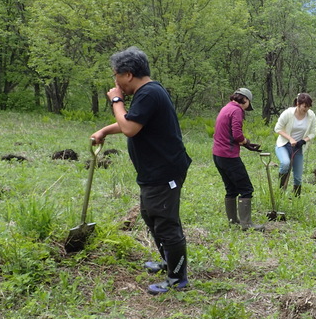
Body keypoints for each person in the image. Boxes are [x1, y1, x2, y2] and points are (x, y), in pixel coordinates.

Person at [91, 47, 192, 295]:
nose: (115, 82)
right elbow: (133, 121)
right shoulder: (149, 92)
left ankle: (178, 278)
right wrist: (104, 130)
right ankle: (168, 262)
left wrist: (116, 100)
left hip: (164, 171)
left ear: (127, 74)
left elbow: (130, 128)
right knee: (152, 218)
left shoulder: (148, 93)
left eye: (116, 76)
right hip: (153, 172)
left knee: (166, 224)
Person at [213, 88, 264, 231]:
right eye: (248, 103)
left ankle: (233, 221)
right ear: (245, 100)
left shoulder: (226, 108)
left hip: (218, 155)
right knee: (246, 189)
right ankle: (246, 224)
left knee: (231, 189)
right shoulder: (237, 110)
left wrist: (246, 145)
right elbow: (236, 134)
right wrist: (246, 141)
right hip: (228, 156)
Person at [274, 93, 316, 197]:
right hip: (284, 145)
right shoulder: (288, 113)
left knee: (298, 176)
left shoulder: (311, 115)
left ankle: (296, 198)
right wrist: (290, 138)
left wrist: (303, 141)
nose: (306, 109)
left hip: (298, 147)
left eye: (309, 106)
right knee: (285, 163)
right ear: (298, 104)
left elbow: (313, 132)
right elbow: (277, 129)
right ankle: (280, 191)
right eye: (304, 106)